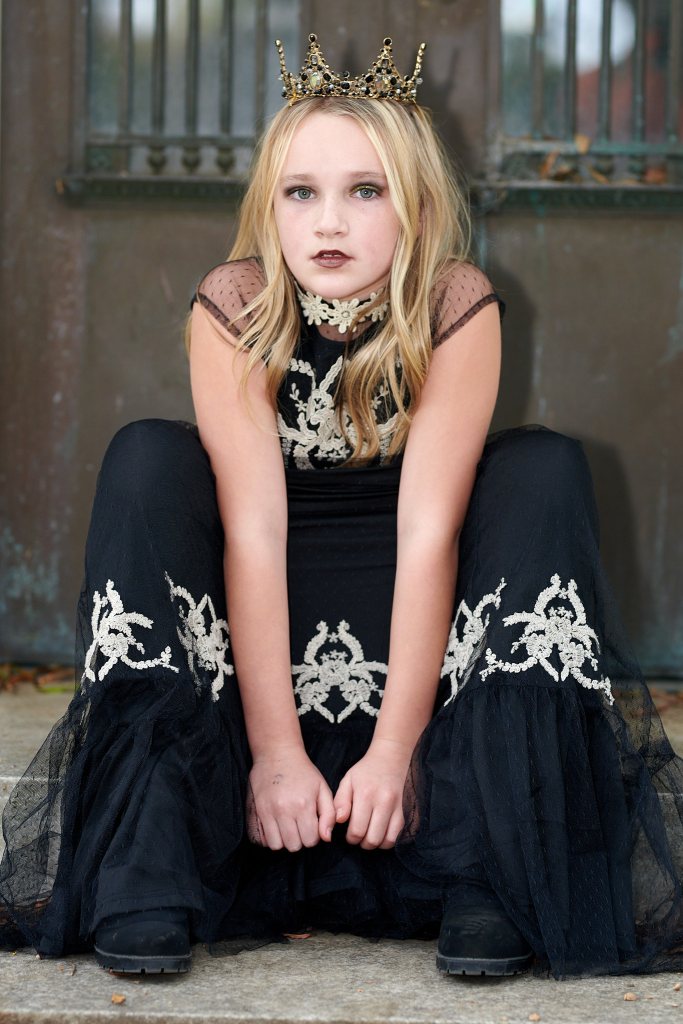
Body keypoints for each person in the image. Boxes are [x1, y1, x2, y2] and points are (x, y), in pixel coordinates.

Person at [1, 33, 683, 981]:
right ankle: (149, 861)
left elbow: (428, 530)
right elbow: (253, 529)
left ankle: (486, 870)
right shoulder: (236, 302)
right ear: (268, 205)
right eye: (300, 192)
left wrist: (398, 750)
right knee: (146, 454)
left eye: (365, 191)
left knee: (542, 468)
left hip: (411, 610)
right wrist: (276, 755)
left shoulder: (454, 301)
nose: (329, 222)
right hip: (263, 619)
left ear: (417, 206)